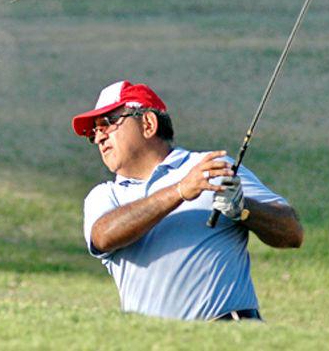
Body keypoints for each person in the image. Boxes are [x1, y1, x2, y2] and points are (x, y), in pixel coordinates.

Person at [74, 80, 303, 321]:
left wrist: (243, 208)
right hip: (150, 342)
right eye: (94, 132)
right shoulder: (105, 195)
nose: (99, 137)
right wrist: (180, 190)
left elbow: (293, 233)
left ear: (148, 124)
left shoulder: (211, 167)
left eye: (106, 124)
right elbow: (103, 236)